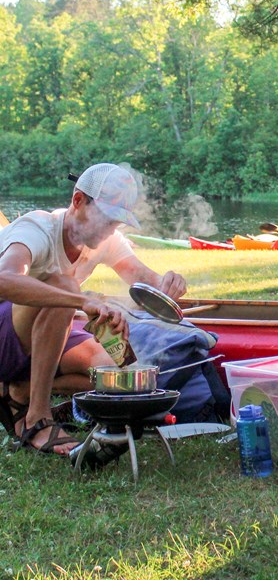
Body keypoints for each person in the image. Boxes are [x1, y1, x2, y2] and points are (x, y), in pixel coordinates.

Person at [0, 163, 187, 456]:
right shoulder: (36, 229)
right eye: (106, 219)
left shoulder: (106, 240)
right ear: (77, 201)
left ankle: (19, 392)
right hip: (5, 337)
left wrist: (169, 283)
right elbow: (3, 280)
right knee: (66, 286)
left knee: (116, 375)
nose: (109, 229)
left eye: (116, 222)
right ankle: (37, 418)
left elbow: (146, 282)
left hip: (39, 339)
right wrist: (81, 301)